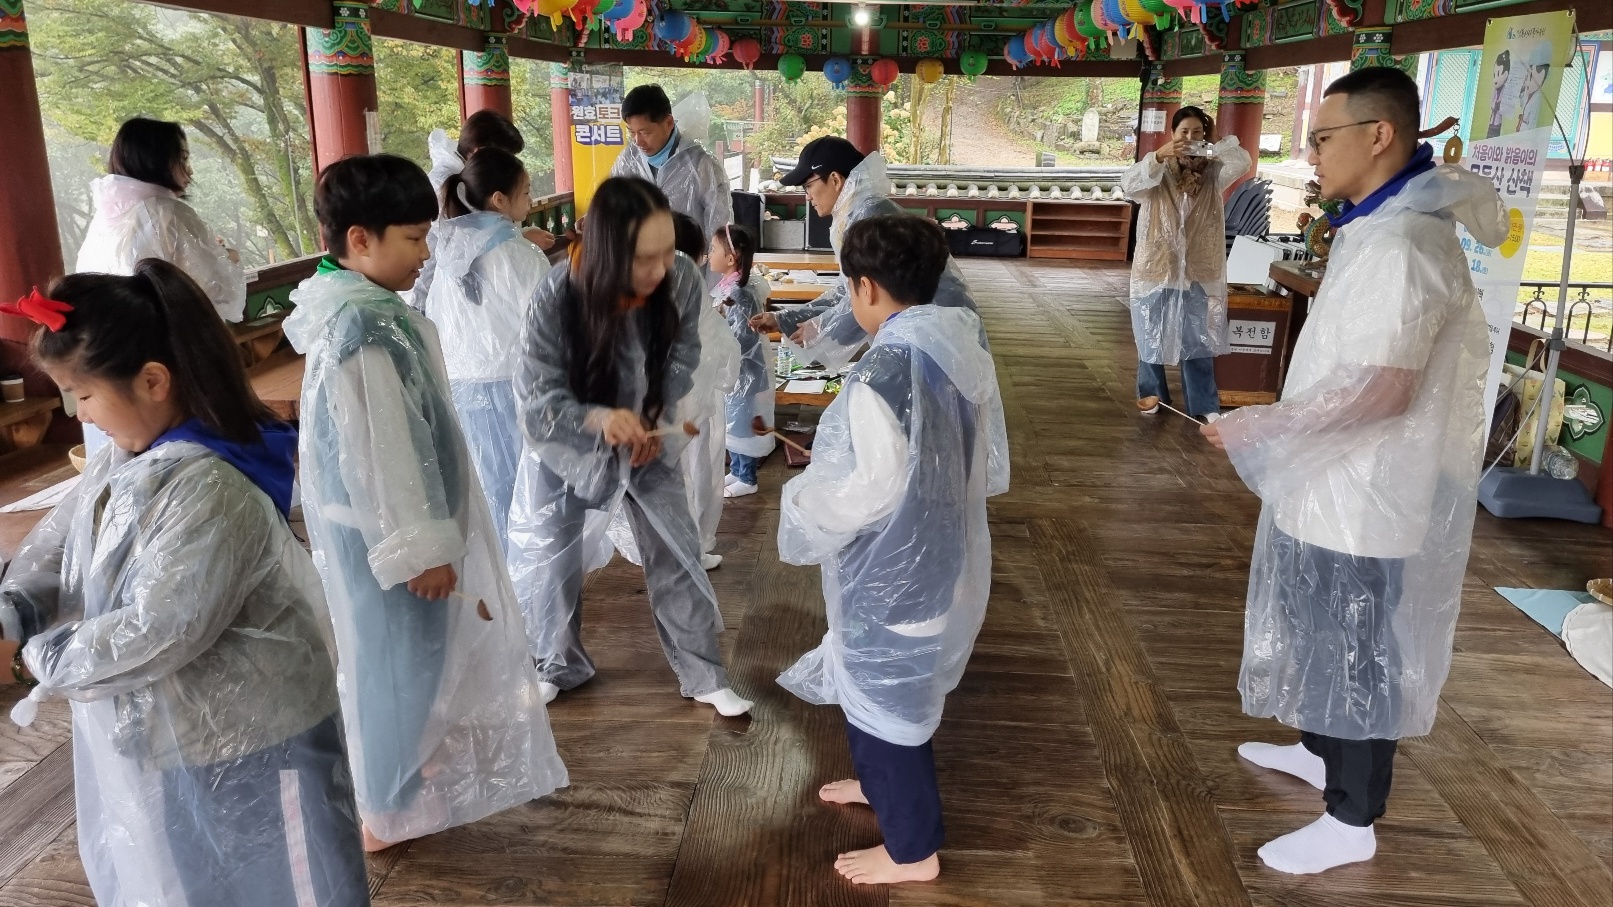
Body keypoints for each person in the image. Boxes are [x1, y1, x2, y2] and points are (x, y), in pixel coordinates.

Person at [1201, 66, 1506, 875]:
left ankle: (1351, 816)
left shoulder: (1404, 243)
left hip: (1367, 490)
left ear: (1378, 135)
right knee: (1317, 622)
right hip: (1332, 477)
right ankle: (1318, 748)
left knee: (1358, 642)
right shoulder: (1378, 224)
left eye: (1321, 137)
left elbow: (1381, 390)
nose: (1311, 153)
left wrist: (1261, 424)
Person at [0, 261, 368, 905]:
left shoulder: (211, 485)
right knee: (209, 885)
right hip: (182, 734)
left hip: (263, 735)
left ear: (152, 380)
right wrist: (15, 609)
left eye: (82, 394)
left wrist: (33, 658)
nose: (79, 412)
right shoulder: (130, 456)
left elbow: (164, 627)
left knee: (296, 887)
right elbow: (61, 546)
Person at [284, 154, 567, 852]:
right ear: (359, 240)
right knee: (393, 664)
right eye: (413, 238)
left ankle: (404, 765)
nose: (425, 253)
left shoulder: (364, 310)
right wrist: (420, 548)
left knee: (411, 657)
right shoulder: (363, 329)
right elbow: (384, 455)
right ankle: (385, 805)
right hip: (387, 536)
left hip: (385, 529)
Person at [778, 214, 1009, 886]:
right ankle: (879, 786)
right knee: (880, 687)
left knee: (889, 704)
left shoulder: (883, 371)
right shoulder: (950, 344)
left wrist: (806, 504)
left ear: (866, 288)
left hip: (895, 568)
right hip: (934, 550)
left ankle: (912, 849)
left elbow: (873, 487)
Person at [506, 176, 751, 717]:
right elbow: (538, 397)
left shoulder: (680, 277)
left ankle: (704, 672)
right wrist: (597, 419)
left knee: (677, 550)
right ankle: (556, 663)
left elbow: (685, 354)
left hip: (647, 440)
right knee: (555, 558)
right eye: (645, 258)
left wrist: (654, 416)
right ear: (606, 251)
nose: (661, 269)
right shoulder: (557, 292)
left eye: (667, 252)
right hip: (567, 446)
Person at [75, 117, 249, 458]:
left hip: (111, 354)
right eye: (182, 158)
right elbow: (214, 291)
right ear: (156, 159)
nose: (189, 171)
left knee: (132, 459)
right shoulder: (169, 213)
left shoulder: (104, 219)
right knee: (191, 455)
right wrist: (229, 257)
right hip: (170, 353)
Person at [749, 136, 982, 372]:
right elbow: (851, 292)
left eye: (808, 185)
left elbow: (871, 297)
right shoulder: (856, 213)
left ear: (835, 179)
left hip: (935, 336)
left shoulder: (869, 219)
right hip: (927, 331)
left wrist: (822, 329)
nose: (807, 196)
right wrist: (785, 318)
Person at [424, 147, 551, 552]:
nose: (531, 199)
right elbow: (550, 328)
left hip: (463, 389)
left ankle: (501, 573)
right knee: (528, 488)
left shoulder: (449, 255)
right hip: (516, 387)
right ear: (499, 200)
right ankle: (526, 574)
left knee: (488, 486)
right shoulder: (519, 254)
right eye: (526, 192)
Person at [1121, 106, 1251, 422]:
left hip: (1198, 267)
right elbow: (1129, 185)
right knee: (1150, 334)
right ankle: (1151, 395)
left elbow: (1242, 162)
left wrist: (1218, 141)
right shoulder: (1156, 168)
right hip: (1157, 264)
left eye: (1197, 132)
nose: (1190, 138)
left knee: (1198, 340)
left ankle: (1204, 405)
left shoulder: (1214, 169)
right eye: (1184, 132)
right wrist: (1158, 156)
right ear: (1172, 134)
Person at [414, 110, 553, 309]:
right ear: (479, 151)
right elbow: (467, 243)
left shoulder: (463, 178)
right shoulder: (445, 183)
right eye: (503, 157)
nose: (506, 166)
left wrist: (518, 238)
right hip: (433, 293)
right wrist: (519, 241)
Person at [611, 84, 733, 241]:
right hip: (640, 256)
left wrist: (713, 257)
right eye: (631, 132)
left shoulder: (701, 165)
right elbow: (612, 206)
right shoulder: (627, 160)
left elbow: (720, 228)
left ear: (668, 122)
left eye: (645, 132)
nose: (637, 141)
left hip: (690, 255)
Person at [709, 223, 776, 499]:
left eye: (713, 249)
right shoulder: (730, 287)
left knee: (743, 425)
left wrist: (719, 346)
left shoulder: (740, 293)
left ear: (731, 258)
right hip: (737, 370)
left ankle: (747, 478)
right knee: (733, 422)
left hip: (745, 371)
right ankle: (737, 470)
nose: (709, 254)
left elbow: (743, 339)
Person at [1485, 50, 1512, 139]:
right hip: (1491, 120)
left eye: (1498, 74)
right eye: (1494, 75)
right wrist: (1494, 105)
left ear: (1506, 74)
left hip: (1498, 122)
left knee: (1495, 137)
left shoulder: (1506, 91)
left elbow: (1506, 108)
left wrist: (1499, 105)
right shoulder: (1495, 90)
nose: (1495, 79)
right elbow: (1491, 101)